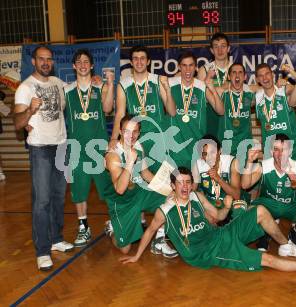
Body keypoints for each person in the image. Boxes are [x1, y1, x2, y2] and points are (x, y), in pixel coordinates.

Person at [119, 167, 296, 275]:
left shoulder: (196, 196)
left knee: (261, 210)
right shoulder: (165, 209)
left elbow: (219, 217)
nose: (185, 187)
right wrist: (136, 256)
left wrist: (224, 207)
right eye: (180, 183)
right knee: (265, 260)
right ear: (173, 185)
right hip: (205, 253)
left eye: (188, 182)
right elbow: (149, 232)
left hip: (218, 235)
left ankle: (286, 246)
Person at [14, 45, 74, 271]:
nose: (46, 63)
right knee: (42, 201)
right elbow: (18, 124)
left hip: (60, 146)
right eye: (41, 59)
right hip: (40, 149)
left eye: (49, 59)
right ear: (33, 61)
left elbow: (68, 105)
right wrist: (29, 111)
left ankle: (56, 239)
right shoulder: (25, 88)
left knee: (58, 198)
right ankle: (42, 251)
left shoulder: (59, 84)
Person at [104, 114, 177, 257]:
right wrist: (130, 162)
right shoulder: (113, 156)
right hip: (122, 202)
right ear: (120, 131)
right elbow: (120, 189)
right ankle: (112, 229)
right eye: (126, 131)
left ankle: (159, 239)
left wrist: (169, 188)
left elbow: (145, 174)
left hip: (140, 193)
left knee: (171, 197)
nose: (131, 136)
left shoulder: (138, 146)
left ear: (139, 132)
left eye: (135, 131)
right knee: (125, 249)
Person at [64, 49, 114, 247]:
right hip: (76, 148)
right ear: (74, 66)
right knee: (79, 191)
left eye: (87, 61)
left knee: (108, 189)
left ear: (92, 66)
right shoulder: (66, 90)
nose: (83, 65)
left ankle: (114, 221)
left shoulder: (100, 88)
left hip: (98, 147)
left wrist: (109, 85)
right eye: (79, 62)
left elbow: (108, 108)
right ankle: (83, 227)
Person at [241, 133, 296, 254]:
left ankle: (295, 231)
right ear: (271, 151)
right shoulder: (264, 166)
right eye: (276, 149)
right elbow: (244, 185)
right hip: (268, 205)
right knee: (251, 211)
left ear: (290, 151)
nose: (280, 154)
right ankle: (264, 233)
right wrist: (249, 161)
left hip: (291, 205)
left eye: (284, 150)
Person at [109, 45, 176, 173]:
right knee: (140, 180)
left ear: (148, 61)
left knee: (161, 177)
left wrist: (168, 90)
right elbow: (120, 114)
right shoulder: (123, 84)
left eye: (142, 58)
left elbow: (172, 112)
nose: (139, 62)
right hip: (135, 139)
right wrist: (113, 138)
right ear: (131, 62)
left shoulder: (158, 80)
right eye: (135, 59)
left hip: (158, 138)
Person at [168, 51, 224, 169]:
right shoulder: (169, 84)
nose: (188, 70)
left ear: (196, 67)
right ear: (179, 67)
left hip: (196, 146)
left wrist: (212, 89)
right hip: (174, 146)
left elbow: (220, 111)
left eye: (191, 65)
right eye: (184, 65)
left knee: (195, 185)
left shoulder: (202, 86)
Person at [255, 63, 296, 159]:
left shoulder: (284, 89)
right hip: (271, 152)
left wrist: (291, 71)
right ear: (257, 80)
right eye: (261, 75)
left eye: (267, 74)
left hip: (294, 149)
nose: (265, 78)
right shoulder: (257, 96)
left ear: (272, 74)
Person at [192, 135, 242, 224]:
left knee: (239, 210)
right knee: (197, 212)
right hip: (210, 204)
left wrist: (219, 179)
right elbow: (192, 191)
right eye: (205, 154)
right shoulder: (198, 165)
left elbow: (237, 195)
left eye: (212, 152)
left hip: (229, 202)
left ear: (220, 151)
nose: (209, 157)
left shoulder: (232, 162)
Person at [216, 63, 254, 157]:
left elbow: (269, 89)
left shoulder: (251, 93)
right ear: (229, 76)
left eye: (240, 72)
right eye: (234, 72)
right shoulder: (221, 92)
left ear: (245, 76)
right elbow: (203, 87)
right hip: (226, 147)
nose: (237, 75)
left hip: (246, 147)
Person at [197, 32, 231, 136]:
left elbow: (241, 94)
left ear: (228, 49)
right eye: (216, 47)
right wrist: (223, 88)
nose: (220, 50)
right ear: (212, 50)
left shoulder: (236, 70)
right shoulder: (204, 70)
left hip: (230, 117)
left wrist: (213, 90)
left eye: (223, 46)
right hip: (210, 118)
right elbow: (202, 97)